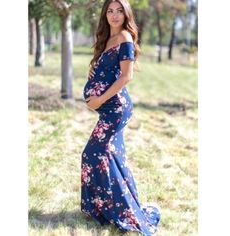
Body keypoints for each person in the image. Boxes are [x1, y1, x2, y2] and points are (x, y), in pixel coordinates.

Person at [81, 0, 160, 235]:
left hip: (116, 109)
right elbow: (109, 71)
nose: (114, 16)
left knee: (94, 154)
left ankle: (117, 211)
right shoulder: (106, 39)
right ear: (105, 15)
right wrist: (94, 72)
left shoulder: (125, 37)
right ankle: (104, 208)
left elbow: (126, 77)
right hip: (108, 107)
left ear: (126, 15)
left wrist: (99, 99)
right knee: (113, 157)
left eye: (119, 11)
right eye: (110, 11)